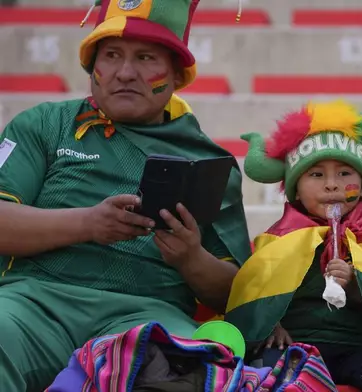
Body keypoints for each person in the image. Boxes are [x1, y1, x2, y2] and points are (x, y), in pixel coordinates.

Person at [0, 0, 251, 390]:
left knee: (181, 369)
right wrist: (88, 223)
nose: (125, 72)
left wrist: (190, 258)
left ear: (175, 74)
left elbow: (234, 293)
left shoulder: (208, 161)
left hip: (149, 316)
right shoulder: (44, 125)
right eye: (112, 55)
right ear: (92, 67)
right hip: (34, 306)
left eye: (146, 57)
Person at [223, 100, 362, 391]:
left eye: (345, 174)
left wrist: (356, 285)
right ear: (295, 190)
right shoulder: (279, 237)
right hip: (296, 346)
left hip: (357, 348)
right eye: (316, 175)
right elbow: (256, 295)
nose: (332, 185)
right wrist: (270, 325)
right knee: (266, 371)